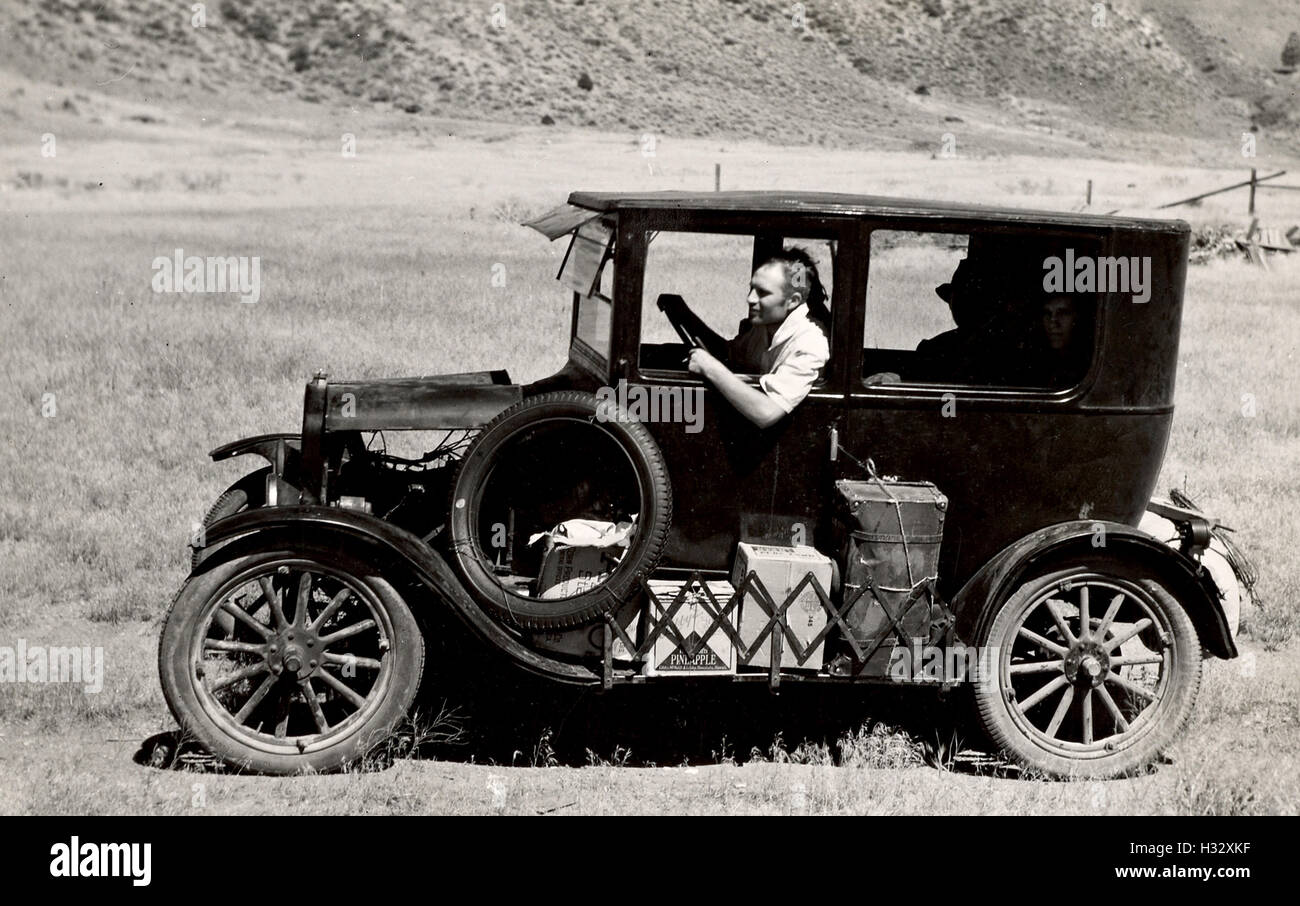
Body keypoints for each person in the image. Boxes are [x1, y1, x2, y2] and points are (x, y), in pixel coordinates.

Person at [664, 248, 831, 428]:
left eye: (763, 293)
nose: (750, 298)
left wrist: (709, 368)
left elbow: (767, 413)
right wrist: (686, 316)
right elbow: (728, 354)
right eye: (752, 288)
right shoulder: (766, 327)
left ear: (793, 300)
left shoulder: (809, 343)